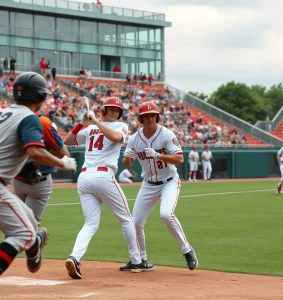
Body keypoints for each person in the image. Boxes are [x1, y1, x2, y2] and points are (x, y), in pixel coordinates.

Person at [64, 96, 154, 279]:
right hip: (100, 176)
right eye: (111, 109)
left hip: (87, 177)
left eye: (117, 110)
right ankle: (136, 261)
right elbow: (68, 140)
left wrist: (94, 122)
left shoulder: (119, 126)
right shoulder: (89, 128)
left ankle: (75, 256)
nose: (114, 112)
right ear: (104, 110)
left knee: (92, 223)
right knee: (125, 219)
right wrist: (80, 124)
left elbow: (115, 138)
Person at [0, 72, 77, 276]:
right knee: (22, 233)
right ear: (42, 97)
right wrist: (62, 162)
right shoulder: (30, 118)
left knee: (31, 224)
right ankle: (33, 241)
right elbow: (34, 151)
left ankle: (36, 242)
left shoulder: (4, 113)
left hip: (8, 184)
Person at [120, 101, 198, 271]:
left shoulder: (166, 135)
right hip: (148, 184)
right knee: (136, 222)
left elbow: (180, 159)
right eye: (146, 116)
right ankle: (141, 260)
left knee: (165, 214)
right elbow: (127, 165)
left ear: (157, 116)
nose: (150, 119)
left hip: (169, 181)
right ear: (141, 119)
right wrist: (126, 158)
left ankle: (187, 250)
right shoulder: (134, 139)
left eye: (153, 115)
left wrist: (158, 155)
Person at [12, 112, 70, 225]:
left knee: (16, 222)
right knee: (31, 225)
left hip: (17, 178)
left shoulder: (13, 118)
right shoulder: (44, 123)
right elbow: (65, 155)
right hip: (40, 180)